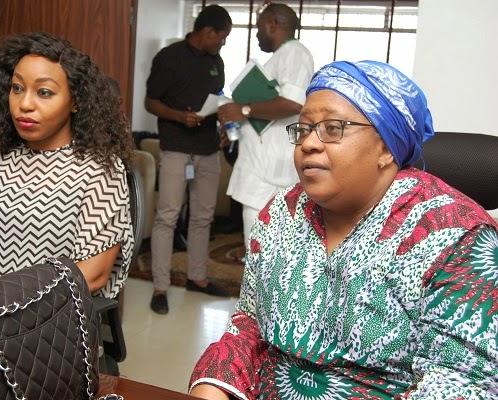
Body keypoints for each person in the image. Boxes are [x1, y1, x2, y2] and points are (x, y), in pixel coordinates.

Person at [189, 60, 498, 399]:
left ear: (385, 148)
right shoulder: (281, 211)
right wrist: (211, 385)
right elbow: (249, 325)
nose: (308, 143)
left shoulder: (455, 236)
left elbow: (462, 382)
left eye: (332, 128)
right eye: (304, 129)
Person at [0, 32, 135, 299]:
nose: (24, 104)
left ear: (75, 102)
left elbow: (93, 274)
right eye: (17, 88)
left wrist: (8, 310)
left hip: (49, 317)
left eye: (44, 92)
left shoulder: (99, 169)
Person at [145, 5, 233, 314]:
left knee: (202, 217)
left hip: (208, 149)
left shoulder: (216, 62)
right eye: (222, 37)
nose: (223, 43)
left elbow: (218, 99)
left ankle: (197, 278)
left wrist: (225, 128)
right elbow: (151, 102)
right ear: (208, 31)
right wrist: (179, 117)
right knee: (168, 216)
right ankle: (160, 287)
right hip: (176, 148)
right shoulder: (169, 58)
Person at [217, 3, 314, 251]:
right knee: (257, 250)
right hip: (259, 171)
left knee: (263, 252)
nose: (257, 34)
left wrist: (244, 109)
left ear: (272, 25)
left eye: (259, 28)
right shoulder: (281, 57)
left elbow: (293, 103)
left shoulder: (295, 53)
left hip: (270, 177)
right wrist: (239, 122)